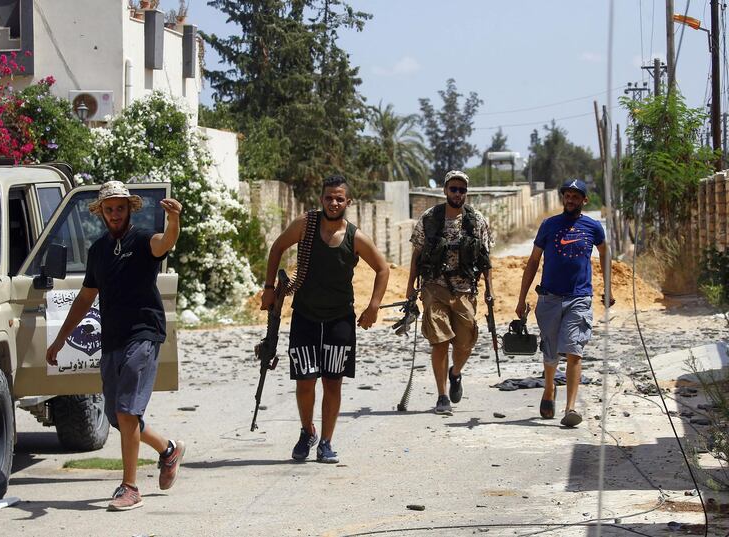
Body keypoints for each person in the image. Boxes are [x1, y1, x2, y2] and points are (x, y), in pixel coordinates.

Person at [46, 180, 185, 511]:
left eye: (120, 208)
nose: (114, 214)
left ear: (129, 208)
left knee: (126, 412)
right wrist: (61, 338)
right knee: (119, 416)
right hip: (111, 340)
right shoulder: (97, 252)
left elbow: (166, 241)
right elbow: (84, 298)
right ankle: (169, 449)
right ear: (101, 213)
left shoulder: (142, 240)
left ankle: (130, 487)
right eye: (109, 209)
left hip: (144, 335)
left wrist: (175, 219)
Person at [261, 175, 389, 464]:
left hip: (339, 319)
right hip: (305, 316)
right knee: (305, 381)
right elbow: (278, 247)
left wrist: (374, 306)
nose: (334, 203)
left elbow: (382, 269)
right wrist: (269, 289)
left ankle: (327, 443)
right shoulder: (305, 225)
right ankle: (307, 431)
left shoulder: (355, 237)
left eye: (339, 198)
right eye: (329, 197)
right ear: (322, 199)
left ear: (348, 202)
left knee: (333, 382)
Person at [514, 178, 611, 428]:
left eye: (576, 196)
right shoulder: (549, 226)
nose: (570, 200)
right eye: (567, 195)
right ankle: (549, 387)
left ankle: (570, 408)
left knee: (574, 351)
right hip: (549, 298)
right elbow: (534, 261)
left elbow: (604, 252)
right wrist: (522, 298)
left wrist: (607, 286)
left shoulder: (592, 227)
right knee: (550, 352)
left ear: (584, 200)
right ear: (563, 198)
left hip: (579, 298)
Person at [406, 170, 493, 415]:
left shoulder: (476, 220)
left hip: (465, 290)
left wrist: (490, 291)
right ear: (445, 190)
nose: (457, 193)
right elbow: (417, 254)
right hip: (434, 287)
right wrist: (410, 288)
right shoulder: (430, 218)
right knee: (440, 341)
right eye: (453, 189)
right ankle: (442, 395)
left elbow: (486, 259)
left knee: (465, 343)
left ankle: (455, 373)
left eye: (462, 190)